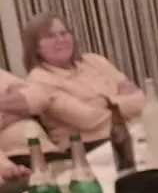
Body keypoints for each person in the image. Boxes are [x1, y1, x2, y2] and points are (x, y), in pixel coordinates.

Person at [23, 13, 146, 146]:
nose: (61, 39)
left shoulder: (95, 60)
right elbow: (88, 119)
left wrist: (106, 102)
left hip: (132, 133)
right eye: (50, 36)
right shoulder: (39, 79)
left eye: (64, 33)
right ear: (35, 47)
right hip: (88, 146)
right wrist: (123, 104)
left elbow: (141, 101)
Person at [0, 68, 51, 160]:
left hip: (47, 148)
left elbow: (40, 99)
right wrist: (22, 109)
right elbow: (30, 104)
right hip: (13, 156)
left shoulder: (2, 75)